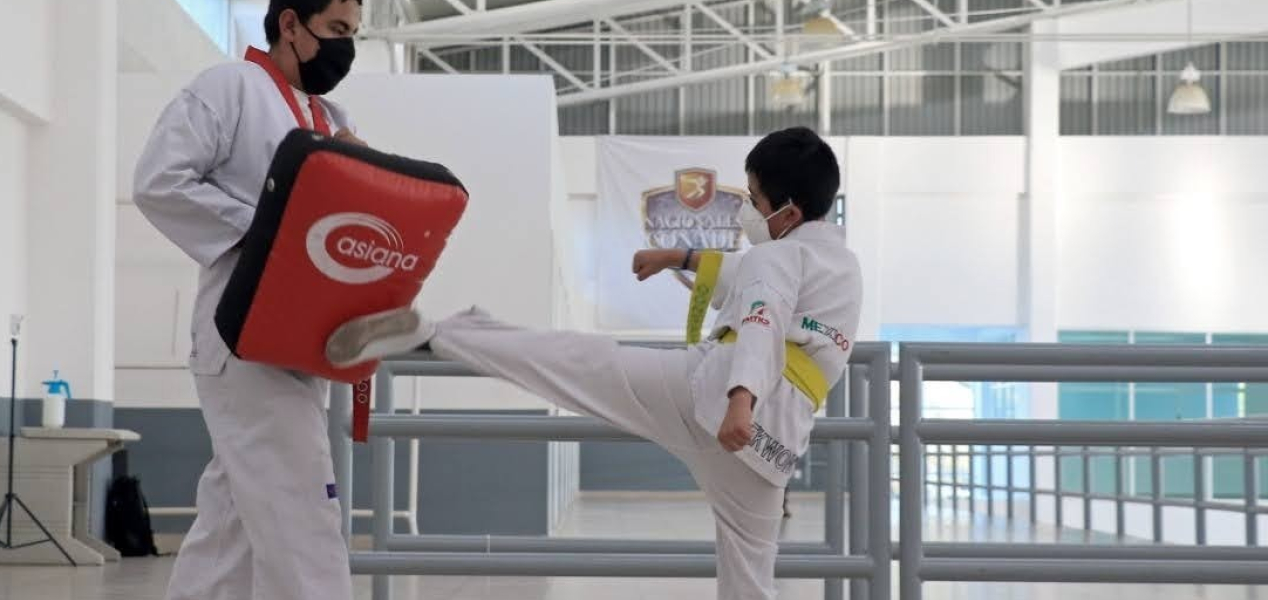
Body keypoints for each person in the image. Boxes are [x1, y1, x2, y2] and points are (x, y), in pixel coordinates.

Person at [326, 127, 862, 600]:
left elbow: (763, 314)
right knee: (751, 582)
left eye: (753, 196)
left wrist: (740, 399)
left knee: (579, 362)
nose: (747, 207)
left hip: (716, 399)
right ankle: (455, 332)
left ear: (787, 212)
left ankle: (442, 333)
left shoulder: (775, 257)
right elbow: (755, 284)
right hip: (770, 447)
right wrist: (677, 257)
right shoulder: (839, 267)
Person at [131, 1, 363, 598]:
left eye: (353, 34)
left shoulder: (329, 116)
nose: (346, 48)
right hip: (245, 337)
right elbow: (159, 180)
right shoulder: (230, 86)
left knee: (230, 528)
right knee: (305, 511)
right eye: (337, 30)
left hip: (302, 339)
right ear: (290, 23)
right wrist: (268, 228)